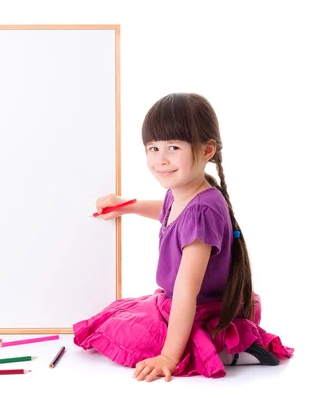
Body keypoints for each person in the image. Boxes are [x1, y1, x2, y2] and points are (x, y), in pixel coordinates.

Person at [73, 93, 293, 380]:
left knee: (132, 336)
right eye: (152, 148)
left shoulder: (203, 209)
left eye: (173, 147)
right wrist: (127, 206)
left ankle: (231, 349)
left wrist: (168, 356)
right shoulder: (184, 193)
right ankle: (217, 345)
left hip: (199, 307)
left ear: (207, 150)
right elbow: (166, 211)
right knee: (115, 316)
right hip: (176, 299)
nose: (160, 160)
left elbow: (187, 290)